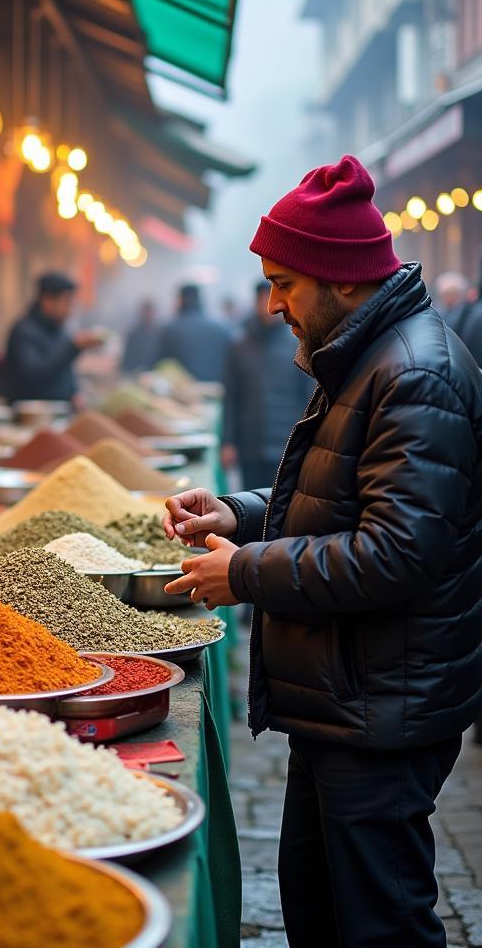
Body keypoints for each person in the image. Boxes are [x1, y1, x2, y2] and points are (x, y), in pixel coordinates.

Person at [162, 156, 482, 948]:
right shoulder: (362, 350)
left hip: (384, 700)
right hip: (348, 694)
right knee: (319, 901)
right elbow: (331, 498)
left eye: (284, 284)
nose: (272, 305)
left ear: (340, 278)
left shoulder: (413, 372)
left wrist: (242, 573)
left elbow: (394, 552)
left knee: (379, 921)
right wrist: (236, 516)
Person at [221, 281, 314, 488]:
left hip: (286, 445)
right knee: (251, 504)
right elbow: (231, 398)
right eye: (262, 299)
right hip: (250, 446)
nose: (267, 305)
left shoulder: (298, 344)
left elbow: (309, 397)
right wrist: (227, 442)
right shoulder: (239, 345)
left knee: (283, 508)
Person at [3, 272, 105, 403]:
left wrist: (74, 392)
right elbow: (33, 376)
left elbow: (65, 373)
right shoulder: (24, 332)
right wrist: (73, 347)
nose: (70, 310)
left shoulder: (60, 331)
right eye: (67, 303)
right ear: (48, 301)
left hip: (62, 411)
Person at [154, 283, 234, 382]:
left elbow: (161, 366)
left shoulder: (171, 330)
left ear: (181, 300)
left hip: (183, 394)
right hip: (217, 390)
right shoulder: (222, 328)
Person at [120, 299, 161, 373]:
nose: (148, 315)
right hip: (136, 372)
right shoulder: (134, 333)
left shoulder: (160, 333)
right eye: (146, 312)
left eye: (150, 312)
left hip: (154, 371)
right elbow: (128, 357)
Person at [434, 270, 470, 335]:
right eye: (447, 294)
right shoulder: (436, 312)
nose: (450, 298)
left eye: (454, 293)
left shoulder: (467, 314)